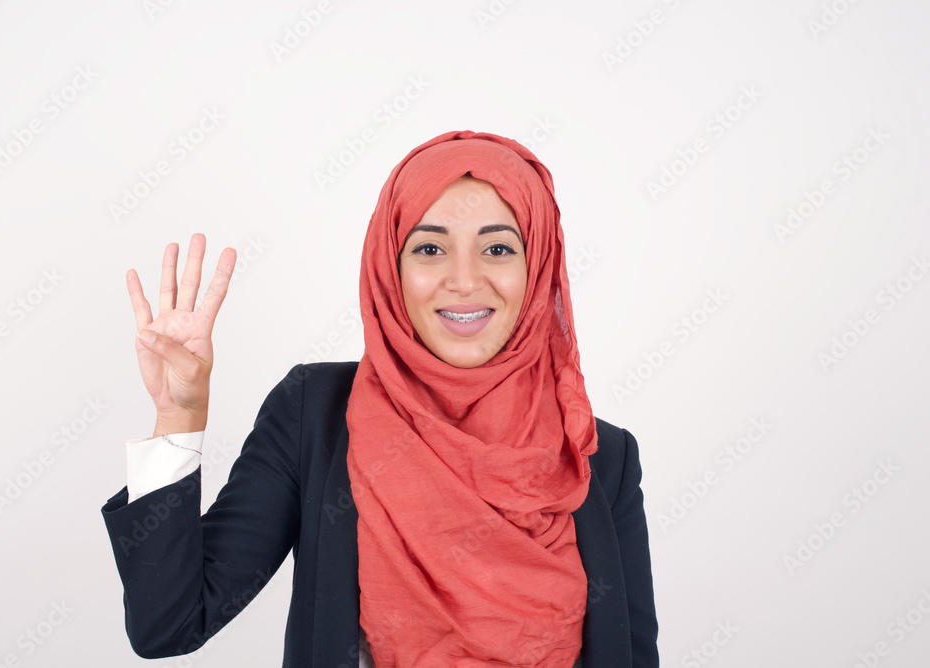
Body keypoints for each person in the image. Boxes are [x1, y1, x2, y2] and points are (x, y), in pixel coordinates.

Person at [101, 130, 659, 667]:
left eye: (497, 248)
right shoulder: (313, 416)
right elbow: (169, 625)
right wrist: (179, 415)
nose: (464, 280)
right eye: (430, 248)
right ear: (389, 267)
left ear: (536, 268)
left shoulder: (600, 459)